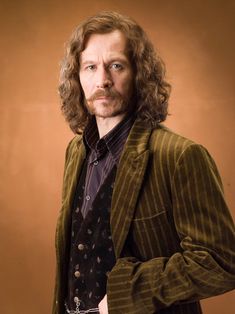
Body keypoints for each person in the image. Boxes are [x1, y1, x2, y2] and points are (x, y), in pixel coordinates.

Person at [53, 11, 235, 314]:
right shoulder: (75, 151)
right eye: (90, 67)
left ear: (139, 73)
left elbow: (222, 260)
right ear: (78, 76)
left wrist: (131, 293)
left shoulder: (179, 156)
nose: (103, 80)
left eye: (116, 66)